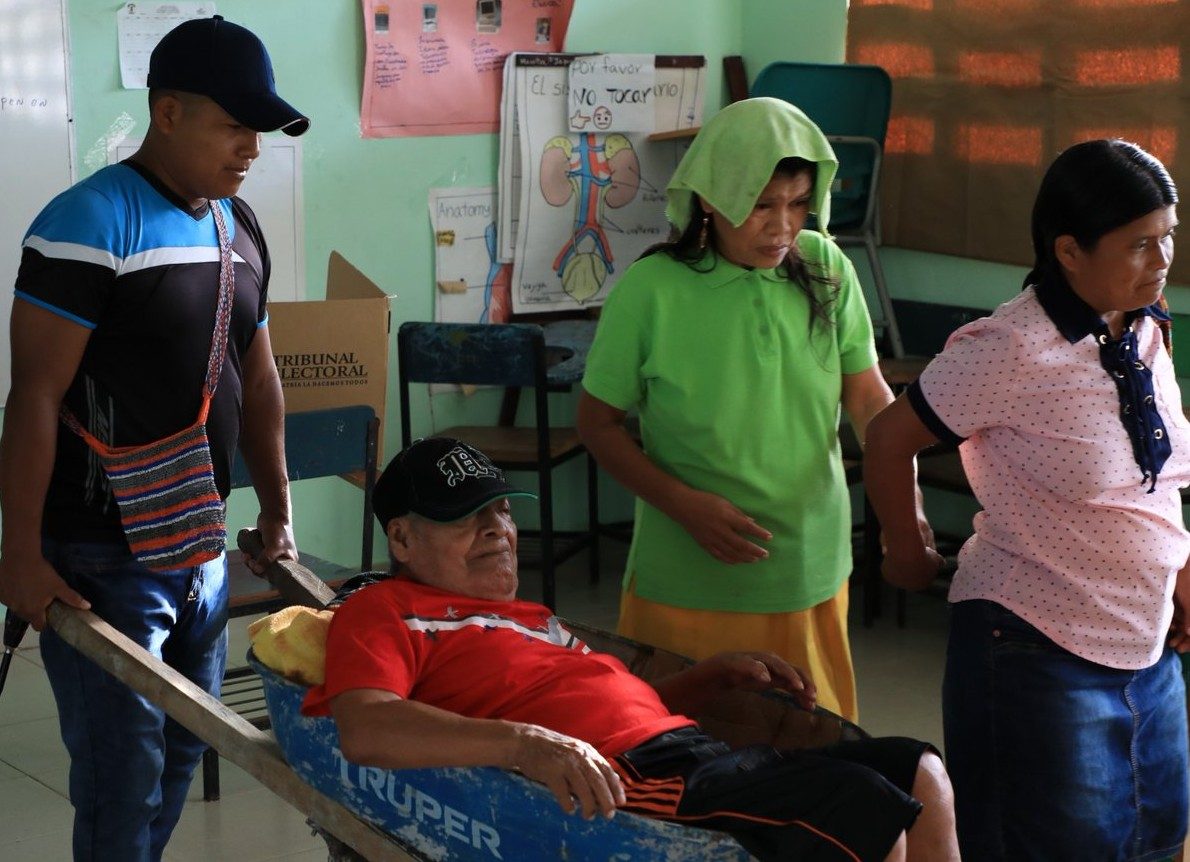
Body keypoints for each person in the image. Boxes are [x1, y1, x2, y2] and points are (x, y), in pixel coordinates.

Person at [300, 436, 960, 862]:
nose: (497, 529)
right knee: (860, 808)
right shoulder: (382, 611)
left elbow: (611, 705)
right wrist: (525, 745)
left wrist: (709, 681)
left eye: (501, 510)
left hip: (691, 752)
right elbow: (365, 725)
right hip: (625, 778)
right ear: (404, 539)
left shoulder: (528, 617)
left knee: (916, 768)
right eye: (465, 517)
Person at [0, 16, 306, 861]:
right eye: (233, 125)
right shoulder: (89, 221)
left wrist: (277, 511)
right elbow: (33, 397)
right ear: (166, 112)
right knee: (119, 777)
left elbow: (261, 380)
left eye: (260, 131)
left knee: (182, 751)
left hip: (198, 542)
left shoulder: (238, 228)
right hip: (99, 558)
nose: (250, 147)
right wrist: (19, 557)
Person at [863, 139, 1190, 860]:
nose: (1162, 260)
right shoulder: (1010, 348)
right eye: (1139, 245)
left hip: (1147, 646)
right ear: (1069, 251)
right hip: (1035, 652)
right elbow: (888, 439)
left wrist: (1180, 572)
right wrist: (907, 545)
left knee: (1155, 842)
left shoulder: (1143, 325)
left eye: (1168, 237)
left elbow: (1158, 479)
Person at [576, 96, 931, 722]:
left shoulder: (828, 269)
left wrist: (909, 507)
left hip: (808, 562)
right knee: (687, 757)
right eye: (762, 204)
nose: (783, 225)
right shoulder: (651, 289)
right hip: (688, 570)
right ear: (709, 198)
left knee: (808, 750)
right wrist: (684, 506)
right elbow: (597, 424)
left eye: (798, 203)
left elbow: (871, 401)